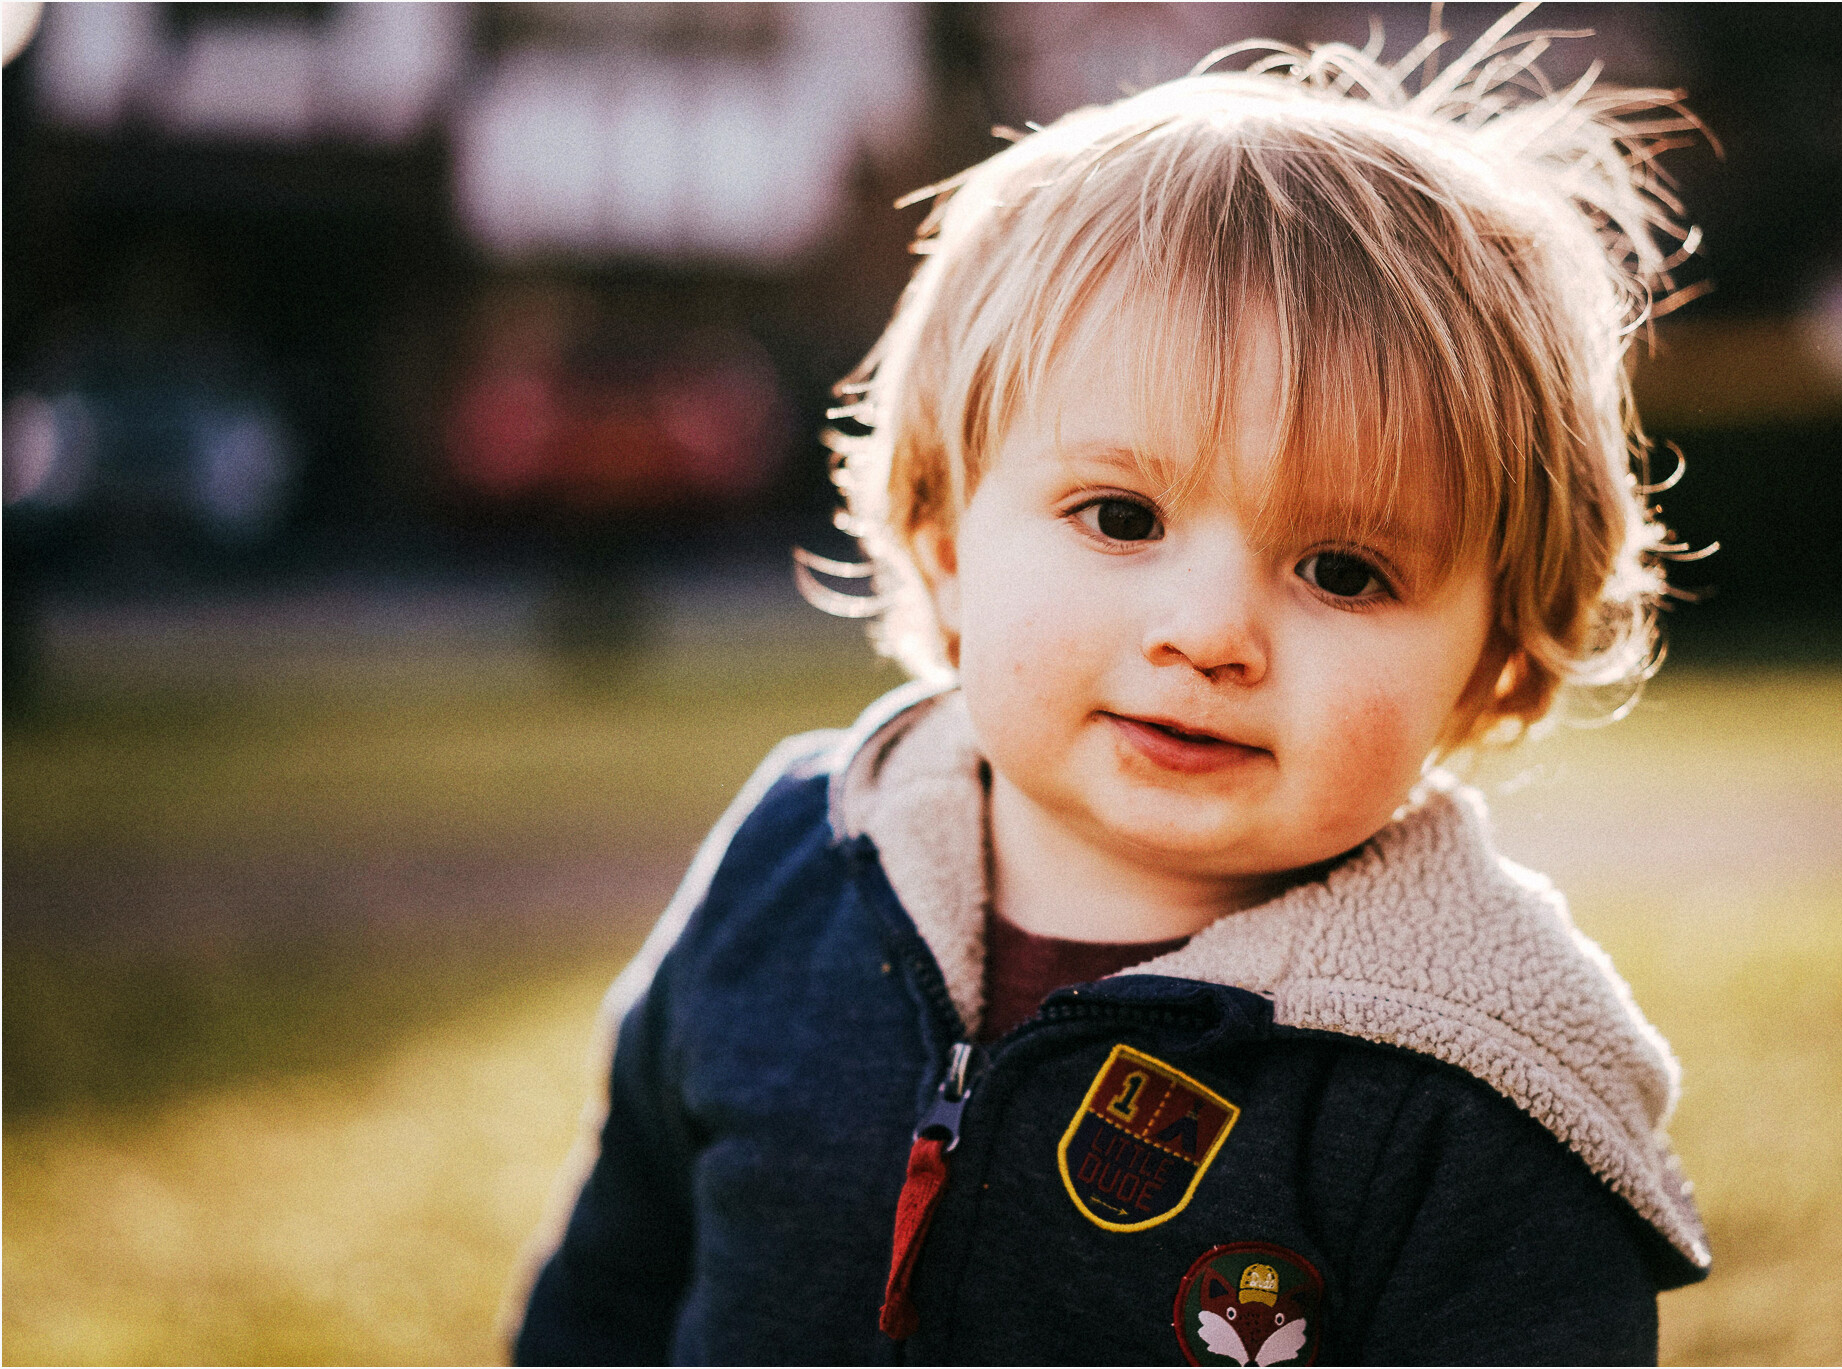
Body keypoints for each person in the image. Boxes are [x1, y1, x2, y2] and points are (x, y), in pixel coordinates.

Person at [514, 19, 1713, 1365]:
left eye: (1343, 570)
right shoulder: (797, 866)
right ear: (945, 539)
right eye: (1122, 516)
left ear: (1496, 657)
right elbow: (612, 1289)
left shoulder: (1482, 1089)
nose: (1209, 634)